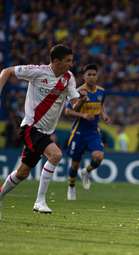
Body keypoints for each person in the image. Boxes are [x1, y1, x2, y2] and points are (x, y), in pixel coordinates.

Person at [0, 44, 87, 220]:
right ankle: (39, 201)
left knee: (22, 173)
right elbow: (7, 71)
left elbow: (74, 104)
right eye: (68, 61)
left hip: (44, 132)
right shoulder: (38, 72)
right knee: (55, 155)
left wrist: (82, 100)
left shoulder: (69, 78)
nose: (71, 64)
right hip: (30, 128)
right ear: (56, 61)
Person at [65, 64, 110, 200]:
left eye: (94, 75)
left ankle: (86, 171)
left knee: (99, 157)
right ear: (84, 76)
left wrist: (104, 114)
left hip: (93, 132)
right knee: (75, 164)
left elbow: (101, 104)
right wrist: (83, 115)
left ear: (97, 76)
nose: (91, 77)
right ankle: (71, 187)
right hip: (78, 133)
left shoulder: (101, 91)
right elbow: (68, 111)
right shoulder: (78, 92)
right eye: (88, 75)